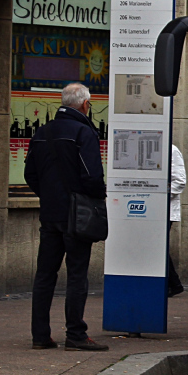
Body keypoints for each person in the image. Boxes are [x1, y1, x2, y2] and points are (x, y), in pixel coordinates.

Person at [23, 83, 110, 351]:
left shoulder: (42, 133)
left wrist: (49, 195)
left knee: (45, 275)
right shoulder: (84, 133)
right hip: (77, 215)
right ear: (85, 105)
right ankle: (75, 334)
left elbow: (30, 174)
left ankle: (40, 335)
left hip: (50, 216)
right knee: (76, 274)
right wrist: (95, 196)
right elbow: (92, 177)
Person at [167, 144, 186, 298]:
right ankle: (173, 283)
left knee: (158, 248)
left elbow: (180, 181)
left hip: (164, 210)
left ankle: (173, 284)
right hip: (150, 209)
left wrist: (160, 195)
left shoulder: (171, 150)